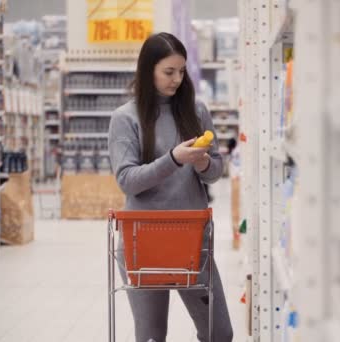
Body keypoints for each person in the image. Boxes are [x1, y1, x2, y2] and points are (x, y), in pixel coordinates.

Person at [108, 32, 233, 342]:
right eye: (169, 71)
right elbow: (128, 180)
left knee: (220, 333)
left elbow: (215, 170)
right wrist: (174, 159)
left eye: (181, 70)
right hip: (144, 242)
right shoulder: (125, 118)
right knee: (151, 337)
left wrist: (204, 164)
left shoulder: (196, 110)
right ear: (148, 69)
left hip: (193, 242)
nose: (177, 79)